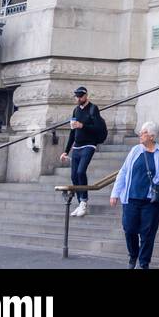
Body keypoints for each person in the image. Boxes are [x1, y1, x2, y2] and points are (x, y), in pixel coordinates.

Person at [110, 121, 159, 270]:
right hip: (131, 198)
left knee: (147, 234)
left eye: (144, 132)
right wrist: (115, 193)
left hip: (151, 200)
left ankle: (144, 263)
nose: (140, 134)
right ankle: (133, 255)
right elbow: (124, 171)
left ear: (152, 136)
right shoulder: (135, 150)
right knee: (129, 229)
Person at [59, 86, 106, 218]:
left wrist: (83, 126)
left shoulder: (93, 108)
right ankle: (80, 203)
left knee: (81, 171)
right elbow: (72, 132)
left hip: (89, 145)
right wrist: (66, 151)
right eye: (77, 96)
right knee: (74, 175)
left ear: (86, 96)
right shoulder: (75, 111)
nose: (78, 98)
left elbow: (97, 127)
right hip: (77, 147)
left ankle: (84, 202)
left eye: (80, 96)